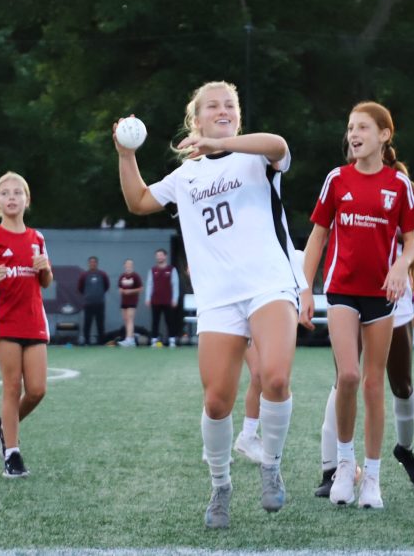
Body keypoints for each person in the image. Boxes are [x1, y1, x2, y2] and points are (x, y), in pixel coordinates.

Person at [117, 81, 305, 529]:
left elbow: (278, 144)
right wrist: (126, 155)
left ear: (236, 117)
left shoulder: (256, 155)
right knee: (217, 402)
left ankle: (271, 465)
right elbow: (139, 200)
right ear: (194, 120)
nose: (222, 110)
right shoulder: (186, 176)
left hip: (269, 285)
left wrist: (220, 143)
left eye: (229, 106)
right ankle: (220, 486)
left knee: (275, 377)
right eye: (212, 107)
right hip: (218, 298)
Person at [301, 101, 414, 509]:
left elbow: (412, 242)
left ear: (385, 135)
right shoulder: (336, 179)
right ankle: (343, 468)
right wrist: (304, 289)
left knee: (374, 384)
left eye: (363, 128)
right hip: (340, 291)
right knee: (348, 376)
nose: (354, 135)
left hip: (381, 297)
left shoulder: (399, 186)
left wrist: (402, 267)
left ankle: (372, 478)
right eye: (351, 128)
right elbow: (317, 237)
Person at [314, 216, 414, 498]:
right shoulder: (344, 185)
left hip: (393, 302)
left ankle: (404, 451)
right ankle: (330, 469)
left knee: (401, 385)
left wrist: (394, 229)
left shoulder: (397, 189)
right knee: (344, 379)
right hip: (351, 295)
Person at [0, 172, 52, 478]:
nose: (11, 197)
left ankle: (1, 426)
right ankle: (12, 452)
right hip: (4, 320)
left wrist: (44, 268)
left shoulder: (37, 238)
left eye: (17, 192)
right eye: (4, 193)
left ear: (27, 200)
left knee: (37, 390)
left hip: (34, 320)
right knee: (12, 386)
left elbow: (45, 281)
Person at [146, 248, 181, 346]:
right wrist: (148, 298)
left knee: (170, 321)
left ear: (165, 256)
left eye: (161, 255)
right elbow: (149, 285)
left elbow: (175, 284)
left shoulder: (171, 269)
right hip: (155, 300)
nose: (159, 257)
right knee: (155, 321)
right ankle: (154, 340)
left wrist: (175, 298)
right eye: (157, 255)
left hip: (168, 300)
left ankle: (172, 340)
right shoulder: (152, 270)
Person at [77, 257, 109, 345]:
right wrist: (88, 295)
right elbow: (80, 288)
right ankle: (86, 341)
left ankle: (101, 342)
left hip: (100, 303)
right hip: (88, 303)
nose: (92, 264)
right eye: (91, 262)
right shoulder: (84, 275)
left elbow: (106, 286)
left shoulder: (102, 274)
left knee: (100, 323)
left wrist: (98, 294)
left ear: (97, 263)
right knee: (87, 322)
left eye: (94, 262)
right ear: (88, 264)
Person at [116, 259, 143, 347]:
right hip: (124, 301)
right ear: (124, 266)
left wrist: (130, 291)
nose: (128, 266)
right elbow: (119, 287)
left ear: (132, 266)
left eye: (130, 264)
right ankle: (131, 338)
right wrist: (121, 291)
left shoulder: (135, 276)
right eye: (127, 264)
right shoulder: (122, 276)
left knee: (130, 318)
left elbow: (140, 288)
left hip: (132, 301)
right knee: (126, 319)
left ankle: (129, 339)